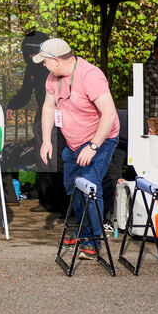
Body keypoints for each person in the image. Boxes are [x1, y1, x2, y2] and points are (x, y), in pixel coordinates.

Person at [36, 38, 119, 260]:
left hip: (99, 138)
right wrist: (46, 140)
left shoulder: (90, 76)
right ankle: (82, 232)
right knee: (73, 188)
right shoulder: (52, 77)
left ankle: (94, 242)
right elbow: (48, 107)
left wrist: (93, 146)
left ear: (55, 60)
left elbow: (109, 114)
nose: (43, 65)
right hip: (73, 141)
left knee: (90, 188)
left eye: (44, 61)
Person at [5, 30, 65, 212]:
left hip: (60, 115)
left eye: (34, 53)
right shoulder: (31, 67)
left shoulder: (53, 65)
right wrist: (12, 105)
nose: (31, 57)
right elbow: (25, 92)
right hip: (42, 115)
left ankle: (62, 203)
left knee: (58, 159)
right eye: (28, 54)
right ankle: (47, 201)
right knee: (43, 158)